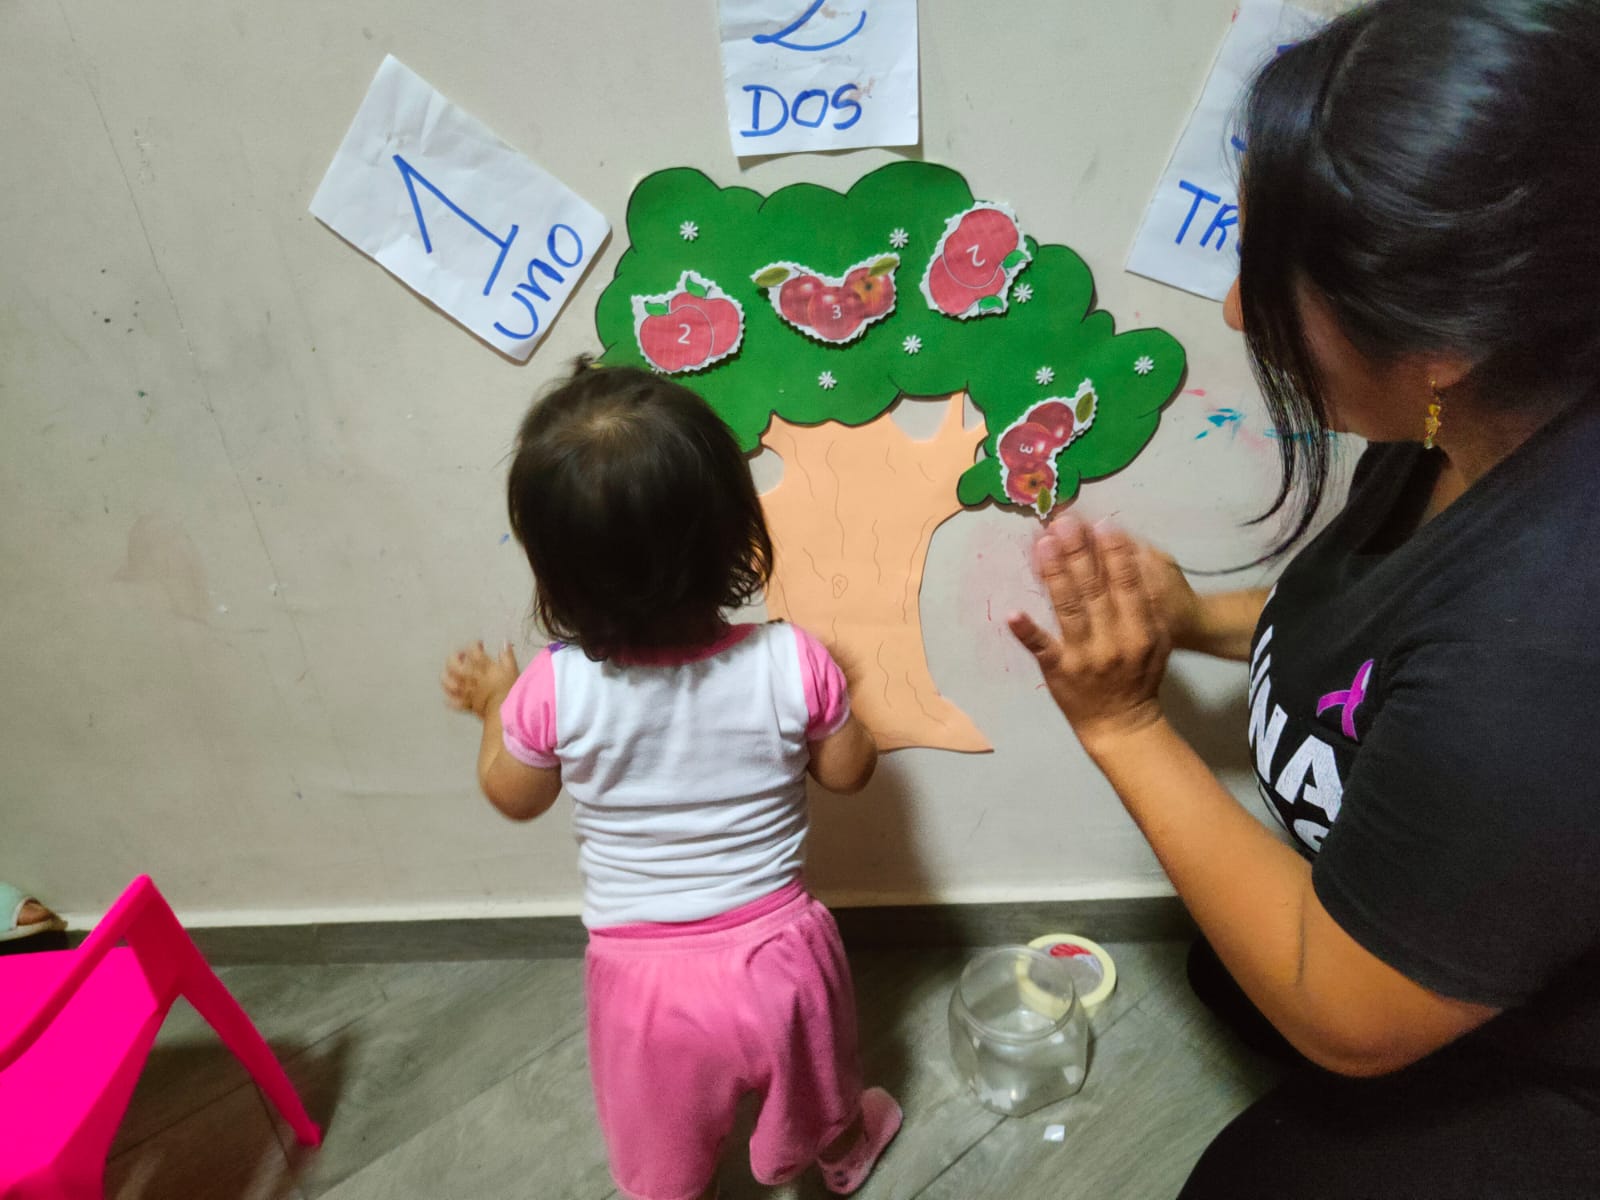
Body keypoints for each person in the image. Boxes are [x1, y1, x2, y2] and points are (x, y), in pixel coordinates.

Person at [1007, 1, 1600, 1195]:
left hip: (1553, 1059)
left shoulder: (1537, 658)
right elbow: (1385, 639)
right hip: (1489, 906)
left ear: (1444, 342)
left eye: (1273, 274)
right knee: (1222, 968)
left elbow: (1347, 1015)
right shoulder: (1464, 422)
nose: (1237, 309)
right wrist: (1194, 619)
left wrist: (1125, 724)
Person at [441, 360, 898, 1200]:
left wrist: (493, 708)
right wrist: (842, 697)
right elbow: (850, 772)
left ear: (554, 574)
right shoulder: (790, 659)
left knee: (663, 1139)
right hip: (781, 958)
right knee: (818, 1087)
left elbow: (515, 796)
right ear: (735, 533)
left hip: (643, 984)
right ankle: (839, 1149)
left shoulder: (553, 687)